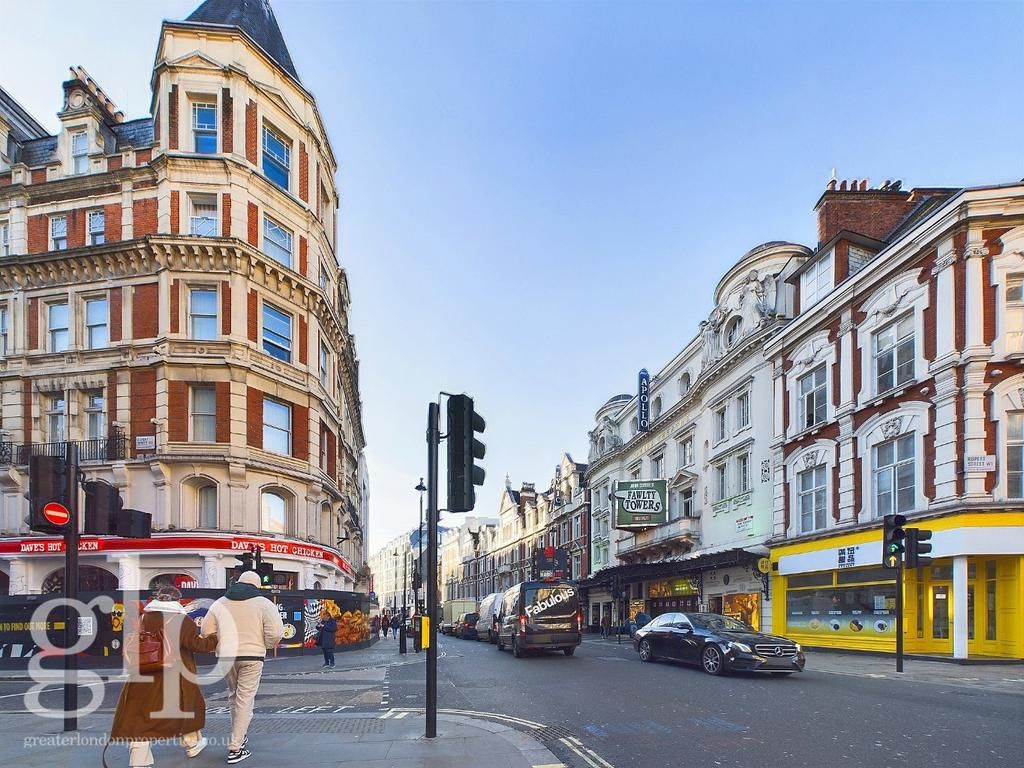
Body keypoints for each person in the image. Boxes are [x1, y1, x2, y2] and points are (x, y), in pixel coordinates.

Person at [109, 586, 218, 767]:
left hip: (143, 673)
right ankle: (192, 744)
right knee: (186, 707)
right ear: (177, 600)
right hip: (175, 675)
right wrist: (214, 638)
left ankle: (139, 760)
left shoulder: (144, 618)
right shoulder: (182, 620)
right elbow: (197, 645)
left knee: (141, 716)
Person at [201, 570, 284, 765]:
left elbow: (206, 630)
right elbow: (275, 633)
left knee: (233, 696)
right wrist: (265, 645)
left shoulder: (220, 603)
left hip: (226, 657)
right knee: (245, 699)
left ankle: (239, 735)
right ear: (256, 585)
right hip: (252, 656)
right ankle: (235, 747)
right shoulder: (264, 604)